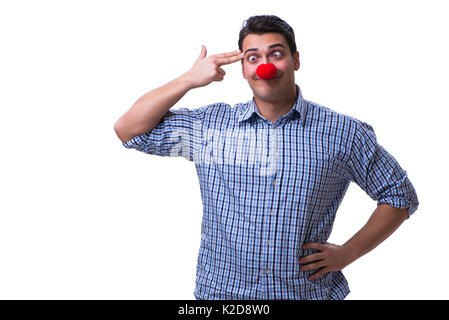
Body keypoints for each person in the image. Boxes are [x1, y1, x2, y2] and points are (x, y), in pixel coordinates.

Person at [114, 15, 419, 300]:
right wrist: (189, 79)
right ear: (244, 68)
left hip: (305, 294)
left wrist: (348, 253)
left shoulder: (342, 132)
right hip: (222, 294)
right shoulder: (211, 127)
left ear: (295, 60)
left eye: (276, 54)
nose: (265, 66)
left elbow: (399, 196)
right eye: (253, 57)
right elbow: (129, 130)